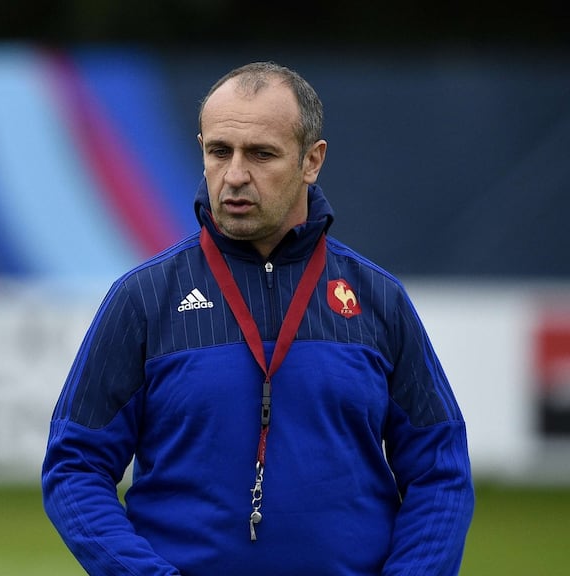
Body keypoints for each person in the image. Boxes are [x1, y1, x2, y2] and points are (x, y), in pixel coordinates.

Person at [42, 61, 474, 575]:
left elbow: (439, 470)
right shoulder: (144, 299)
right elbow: (75, 466)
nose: (235, 174)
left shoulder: (377, 299)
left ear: (311, 161)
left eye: (261, 154)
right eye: (218, 151)